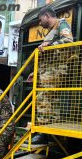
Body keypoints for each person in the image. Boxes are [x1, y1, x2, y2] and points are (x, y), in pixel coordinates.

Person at [30, 6, 73, 144]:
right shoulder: (51, 30)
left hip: (55, 70)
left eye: (40, 19)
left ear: (47, 16)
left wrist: (50, 45)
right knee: (52, 100)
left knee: (43, 97)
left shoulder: (62, 23)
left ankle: (43, 132)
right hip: (49, 71)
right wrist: (35, 71)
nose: (39, 23)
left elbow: (68, 41)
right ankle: (50, 130)